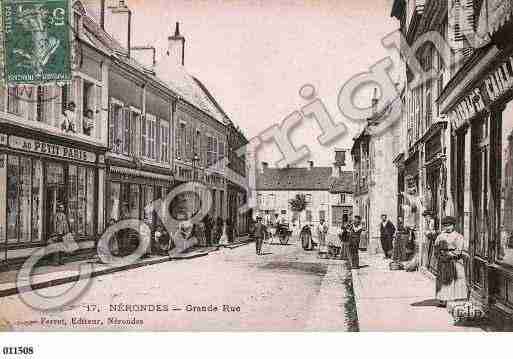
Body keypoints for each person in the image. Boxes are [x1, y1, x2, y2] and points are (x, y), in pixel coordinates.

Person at [434, 216, 467, 307]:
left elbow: (458, 250)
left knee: (455, 279)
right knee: (443, 280)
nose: (447, 227)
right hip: (443, 261)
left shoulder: (458, 236)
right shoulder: (440, 236)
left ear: (453, 226)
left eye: (450, 225)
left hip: (454, 261)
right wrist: (439, 256)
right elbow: (436, 248)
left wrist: (449, 255)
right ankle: (443, 299)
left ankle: (455, 299)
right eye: (445, 225)